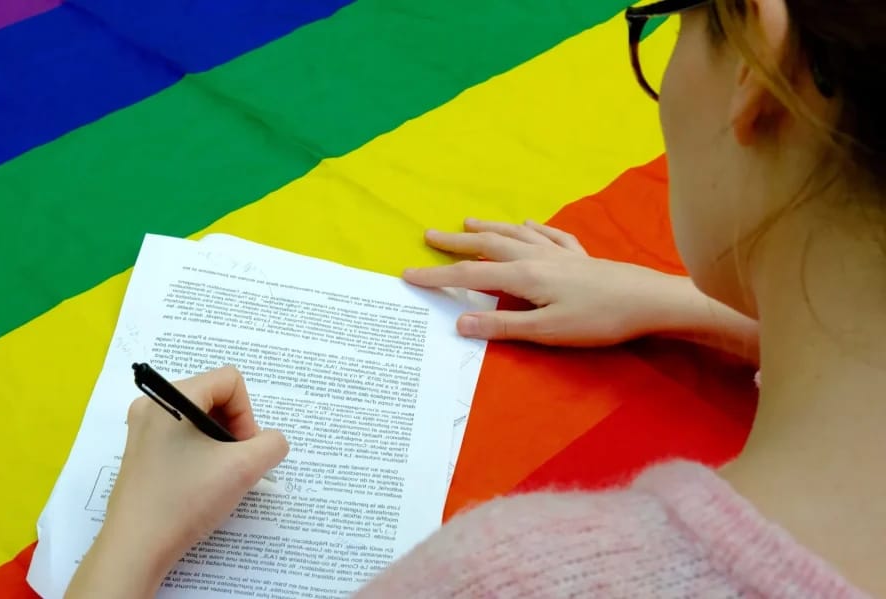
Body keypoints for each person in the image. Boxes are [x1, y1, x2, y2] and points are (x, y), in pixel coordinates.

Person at [66, 0, 884, 596]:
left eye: (666, 20)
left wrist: (129, 544)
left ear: (758, 64)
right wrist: (705, 305)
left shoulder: (514, 580)